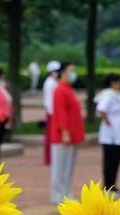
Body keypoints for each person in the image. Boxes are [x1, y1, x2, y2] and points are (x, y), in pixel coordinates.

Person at [49, 62, 85, 204]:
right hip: (62, 136)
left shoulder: (68, 89)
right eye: (71, 71)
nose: (73, 73)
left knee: (68, 167)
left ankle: (66, 192)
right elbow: (60, 113)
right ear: (63, 72)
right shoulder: (60, 90)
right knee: (60, 167)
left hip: (72, 135)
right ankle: (57, 194)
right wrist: (64, 131)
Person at [95, 73, 120, 192]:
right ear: (112, 83)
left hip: (118, 133)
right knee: (109, 161)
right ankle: (107, 185)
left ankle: (112, 184)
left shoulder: (116, 95)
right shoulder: (108, 95)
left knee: (116, 160)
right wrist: (109, 122)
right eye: (118, 82)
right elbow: (101, 109)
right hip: (111, 135)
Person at [42, 60, 60, 166]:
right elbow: (49, 100)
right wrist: (53, 113)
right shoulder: (49, 83)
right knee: (50, 136)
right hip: (51, 112)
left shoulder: (53, 82)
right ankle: (49, 158)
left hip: (53, 112)